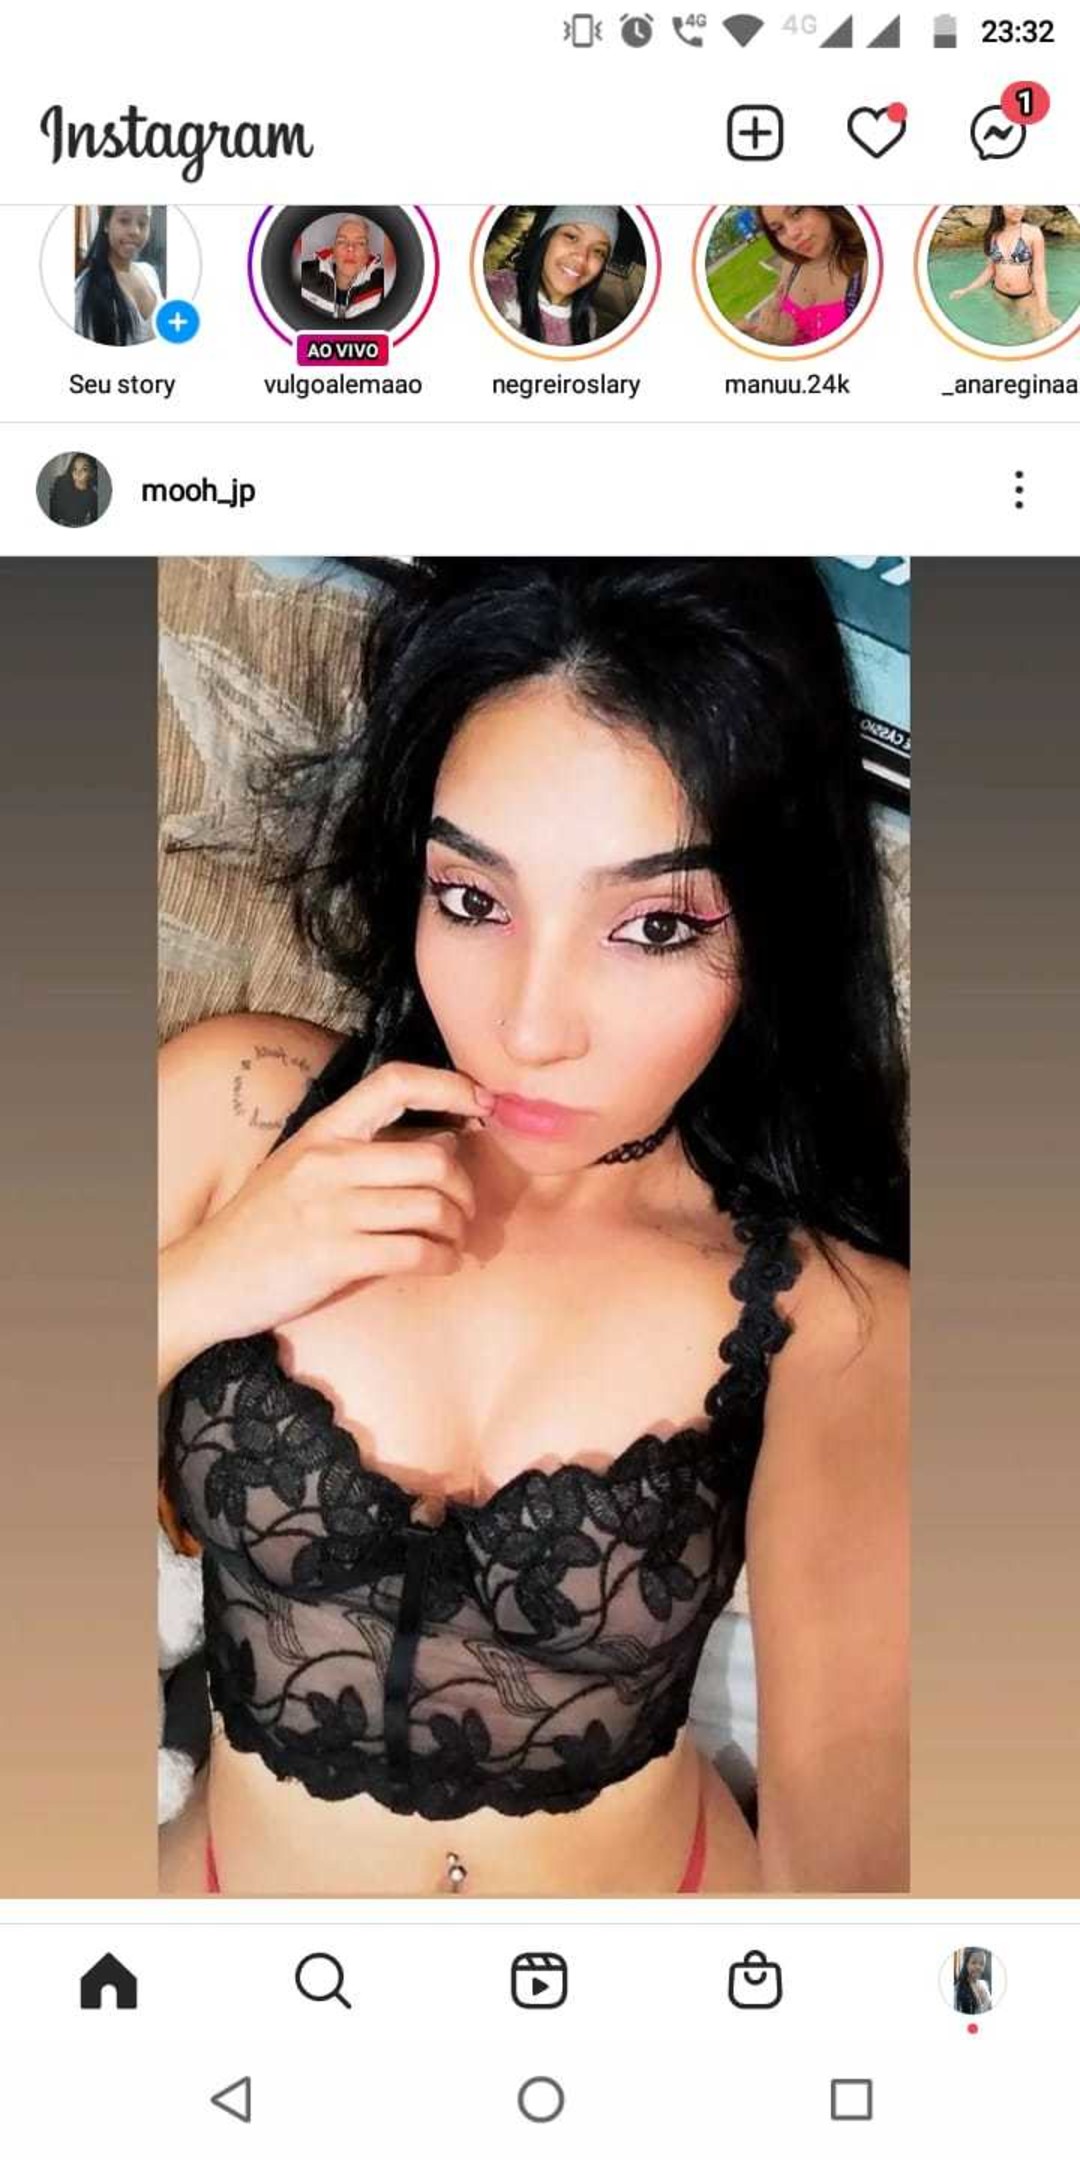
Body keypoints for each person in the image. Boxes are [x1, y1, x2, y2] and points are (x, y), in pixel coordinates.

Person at [158, 558, 909, 1898]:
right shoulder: (235, 1112)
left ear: (776, 927)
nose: (529, 1025)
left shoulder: (835, 1320)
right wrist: (194, 1292)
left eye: (655, 925)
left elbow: (855, 1827)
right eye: (473, 900)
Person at [485, 207, 621, 346]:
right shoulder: (492, 291)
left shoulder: (588, 320)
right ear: (547, 237)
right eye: (571, 237)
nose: (582, 258)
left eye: (598, 251)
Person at [734, 207, 867, 347]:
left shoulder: (867, 271)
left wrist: (781, 346)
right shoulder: (791, 265)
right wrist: (759, 337)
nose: (792, 234)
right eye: (779, 229)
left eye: (796, 213)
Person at [949, 206, 1060, 338]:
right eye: (1010, 204)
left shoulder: (1033, 233)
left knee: (1040, 334)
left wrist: (1044, 308)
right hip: (1000, 295)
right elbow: (990, 270)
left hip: (1025, 296)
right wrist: (966, 290)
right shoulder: (994, 234)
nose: (1017, 208)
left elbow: (1039, 274)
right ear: (1000, 208)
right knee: (1013, 329)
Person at [74, 206, 162, 345]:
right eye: (124, 220)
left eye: (142, 223)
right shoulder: (84, 289)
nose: (135, 231)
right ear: (106, 224)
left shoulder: (150, 273)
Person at [300, 216, 386, 320]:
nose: (350, 248)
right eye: (342, 241)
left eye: (360, 243)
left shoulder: (385, 284)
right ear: (333, 250)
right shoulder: (302, 276)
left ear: (368, 254)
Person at [47, 452, 100, 527]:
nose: (78, 473)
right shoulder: (62, 483)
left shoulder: (93, 496)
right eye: (75, 469)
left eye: (84, 469)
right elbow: (52, 509)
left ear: (91, 472)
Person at [955, 1947, 992, 2014]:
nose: (978, 1967)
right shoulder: (958, 1989)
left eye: (982, 1963)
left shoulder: (984, 1984)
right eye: (974, 1962)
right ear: (966, 1964)